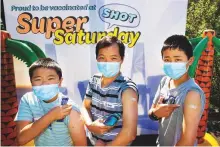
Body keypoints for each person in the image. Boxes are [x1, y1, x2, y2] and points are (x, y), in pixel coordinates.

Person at [148, 35, 205, 146]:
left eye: (178, 60)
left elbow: (187, 141)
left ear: (190, 61)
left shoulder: (192, 94)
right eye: (167, 60)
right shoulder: (165, 81)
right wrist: (156, 113)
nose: (172, 64)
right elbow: (152, 111)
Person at [15, 58, 87, 146]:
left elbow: (81, 144)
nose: (44, 83)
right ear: (31, 82)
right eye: (38, 79)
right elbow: (21, 139)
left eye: (50, 78)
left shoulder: (70, 108)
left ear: (60, 82)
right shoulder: (28, 99)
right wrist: (51, 116)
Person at [81, 36, 139, 146]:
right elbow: (85, 106)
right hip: (94, 142)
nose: (107, 63)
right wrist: (90, 125)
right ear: (97, 59)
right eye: (102, 58)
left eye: (113, 58)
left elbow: (130, 133)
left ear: (122, 59)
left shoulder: (127, 89)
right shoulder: (94, 80)